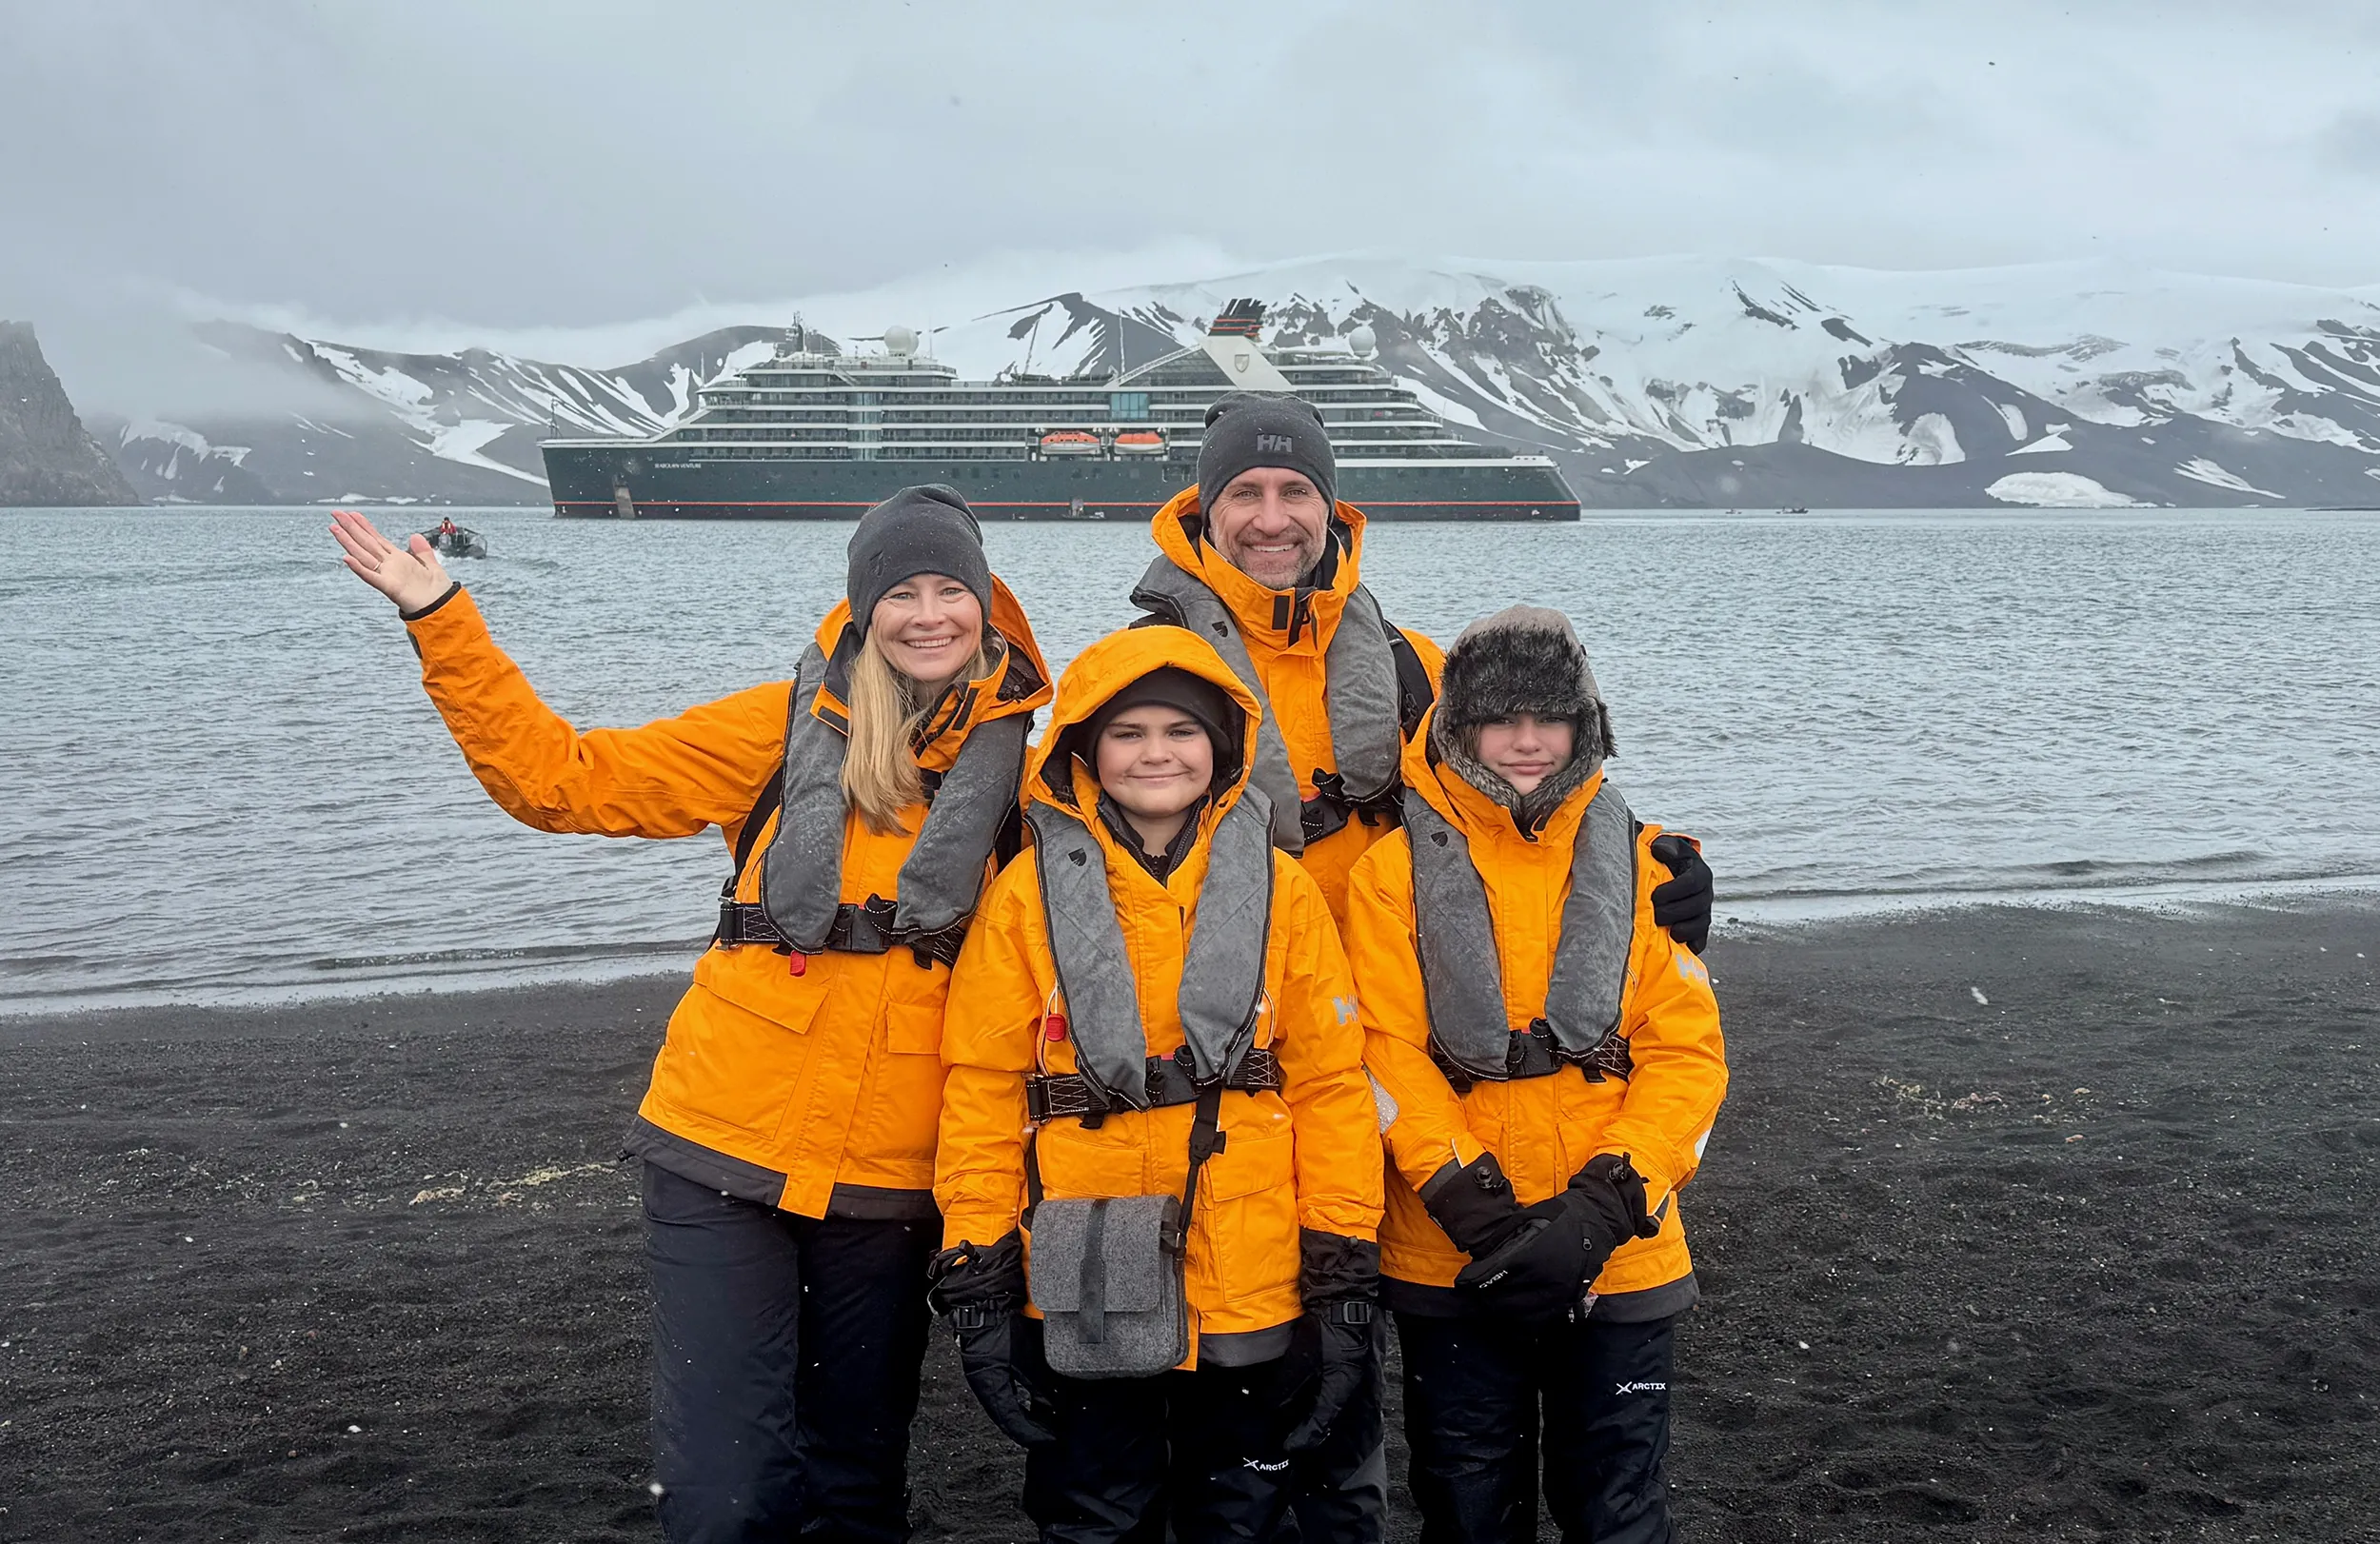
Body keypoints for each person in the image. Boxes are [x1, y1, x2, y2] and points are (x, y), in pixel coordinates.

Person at [328, 485, 1054, 1544]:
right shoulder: (775, 729)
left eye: (954, 590)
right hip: (720, 1153)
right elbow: (558, 780)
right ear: (863, 610)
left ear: (989, 608)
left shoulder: (1034, 782)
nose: (930, 613)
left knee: (855, 1484)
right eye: (902, 590)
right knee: (726, 1498)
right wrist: (441, 615)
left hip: (896, 1178)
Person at [1125, 390, 1717, 1536]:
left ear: (1331, 507)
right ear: (1202, 506)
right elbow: (1062, 827)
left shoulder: (1413, 667)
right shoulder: (1139, 670)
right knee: (1220, 1383)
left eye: (1294, 488)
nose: (1269, 515)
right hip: (1218, 1069)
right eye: (1243, 490)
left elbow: (1529, 800)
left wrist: (1669, 869)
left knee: (1351, 1396)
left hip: (1373, 1080)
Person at [930, 625, 1383, 1544]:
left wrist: (1341, 1264)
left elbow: (1332, 1085)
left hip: (1252, 1267)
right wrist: (977, 1270)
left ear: (1223, 747)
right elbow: (982, 1088)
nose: (1156, 753)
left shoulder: (1286, 893)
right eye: (1128, 732)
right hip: (1086, 1262)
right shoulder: (1024, 894)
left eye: (1181, 730)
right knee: (1096, 1516)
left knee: (1246, 1516)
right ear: (1086, 750)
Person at [1343, 605, 1728, 1544]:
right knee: (1470, 1507)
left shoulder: (1648, 866)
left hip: (1623, 1252)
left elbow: (1685, 1054)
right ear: (1455, 726)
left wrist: (1604, 1204)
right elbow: (1382, 1054)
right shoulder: (1386, 874)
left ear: (1583, 725)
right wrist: (1473, 1202)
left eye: (1548, 717)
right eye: (1498, 718)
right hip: (1454, 1252)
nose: (1524, 740)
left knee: (1618, 1508)